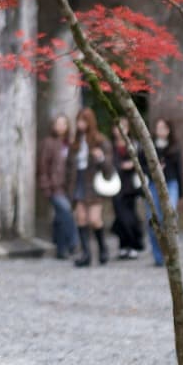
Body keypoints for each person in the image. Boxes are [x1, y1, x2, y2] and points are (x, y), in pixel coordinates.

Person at [37, 114, 75, 259]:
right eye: (58, 123)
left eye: (64, 123)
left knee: (60, 218)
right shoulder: (48, 143)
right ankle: (73, 242)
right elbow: (42, 166)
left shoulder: (69, 144)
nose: (61, 126)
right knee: (66, 212)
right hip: (54, 187)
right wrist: (46, 186)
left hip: (67, 187)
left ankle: (61, 249)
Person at [146, 118, 182, 267]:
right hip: (153, 184)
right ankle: (158, 256)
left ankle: (173, 252)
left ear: (169, 130)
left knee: (170, 216)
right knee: (154, 219)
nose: (160, 130)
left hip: (171, 184)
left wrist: (181, 193)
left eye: (163, 128)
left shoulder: (174, 147)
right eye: (158, 127)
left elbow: (179, 171)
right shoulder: (149, 146)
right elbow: (143, 166)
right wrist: (154, 170)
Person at [111, 119, 148, 260]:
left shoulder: (135, 145)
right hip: (115, 186)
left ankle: (133, 245)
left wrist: (133, 164)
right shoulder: (111, 146)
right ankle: (123, 246)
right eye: (117, 126)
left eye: (123, 126)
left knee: (131, 218)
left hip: (131, 187)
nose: (119, 129)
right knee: (120, 218)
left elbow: (144, 164)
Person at [73, 138, 114, 267]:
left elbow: (109, 169)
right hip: (78, 182)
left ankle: (103, 249)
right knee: (81, 218)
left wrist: (100, 157)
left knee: (94, 219)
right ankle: (86, 254)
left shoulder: (99, 141)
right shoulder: (75, 142)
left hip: (93, 186)